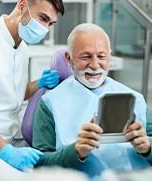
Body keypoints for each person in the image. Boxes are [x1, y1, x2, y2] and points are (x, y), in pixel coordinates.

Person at [32, 23, 152, 179]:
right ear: (69, 59)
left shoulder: (134, 98)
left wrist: (147, 147)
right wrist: (75, 153)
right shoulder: (50, 103)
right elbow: (40, 162)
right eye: (86, 56)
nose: (95, 65)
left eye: (101, 56)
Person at [0, 0, 64, 180]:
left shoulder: (22, 47)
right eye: (43, 18)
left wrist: (39, 83)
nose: (45, 29)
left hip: (9, 137)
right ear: (22, 6)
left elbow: (13, 95)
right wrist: (6, 152)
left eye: (50, 24)